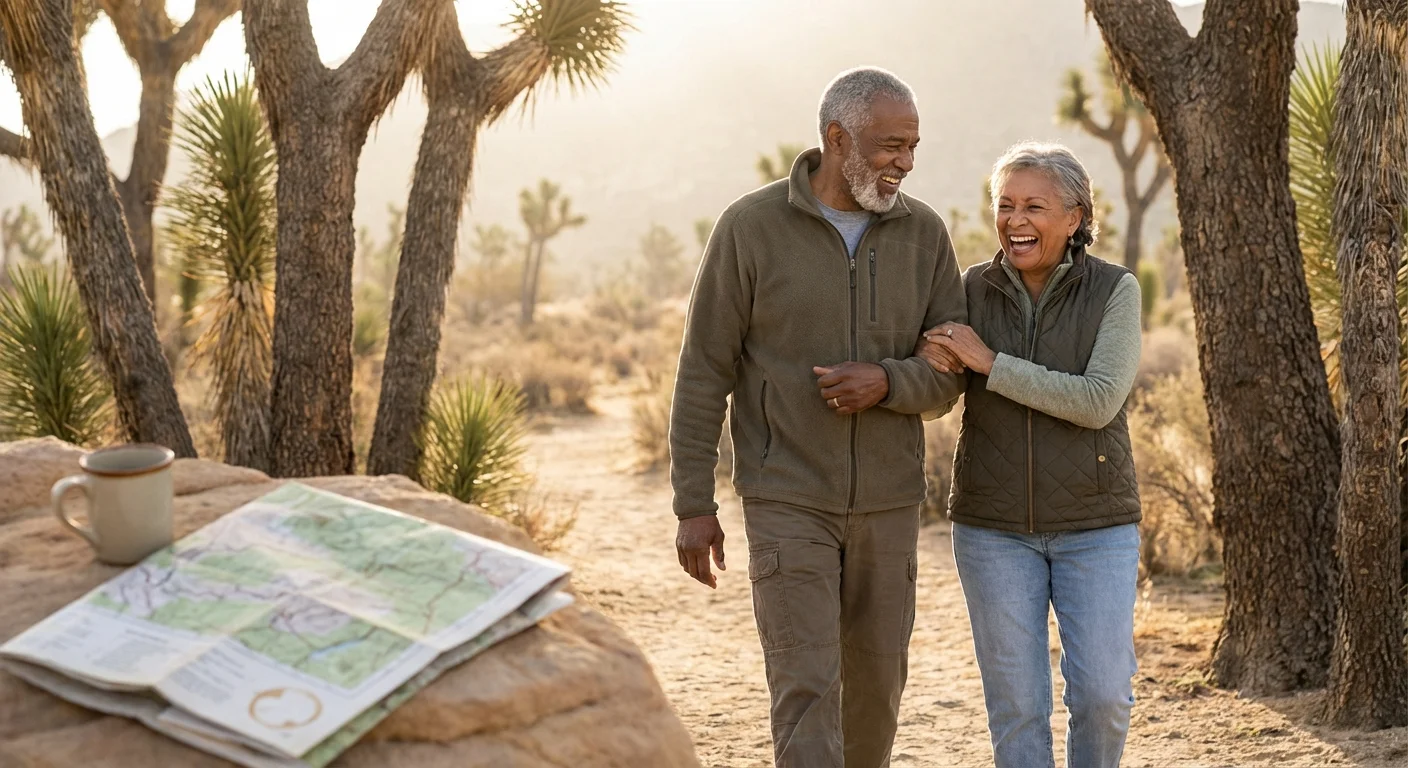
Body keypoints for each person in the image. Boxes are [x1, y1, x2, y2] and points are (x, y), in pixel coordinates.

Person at [669, 66, 966, 767]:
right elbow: (704, 370)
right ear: (837, 138)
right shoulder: (750, 228)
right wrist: (692, 502)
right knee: (805, 684)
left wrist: (887, 383)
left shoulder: (924, 234)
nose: (905, 162)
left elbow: (951, 374)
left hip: (890, 503)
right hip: (785, 497)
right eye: (890, 145)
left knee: (876, 687)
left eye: (913, 146)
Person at [918, 141, 1143, 768]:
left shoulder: (1115, 290)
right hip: (993, 529)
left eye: (1034, 206)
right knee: (1016, 708)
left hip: (1096, 525)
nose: (1015, 220)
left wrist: (989, 363)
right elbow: (939, 396)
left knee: (1103, 696)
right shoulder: (969, 289)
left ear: (1075, 217)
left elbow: (1099, 401)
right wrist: (924, 366)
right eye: (1005, 205)